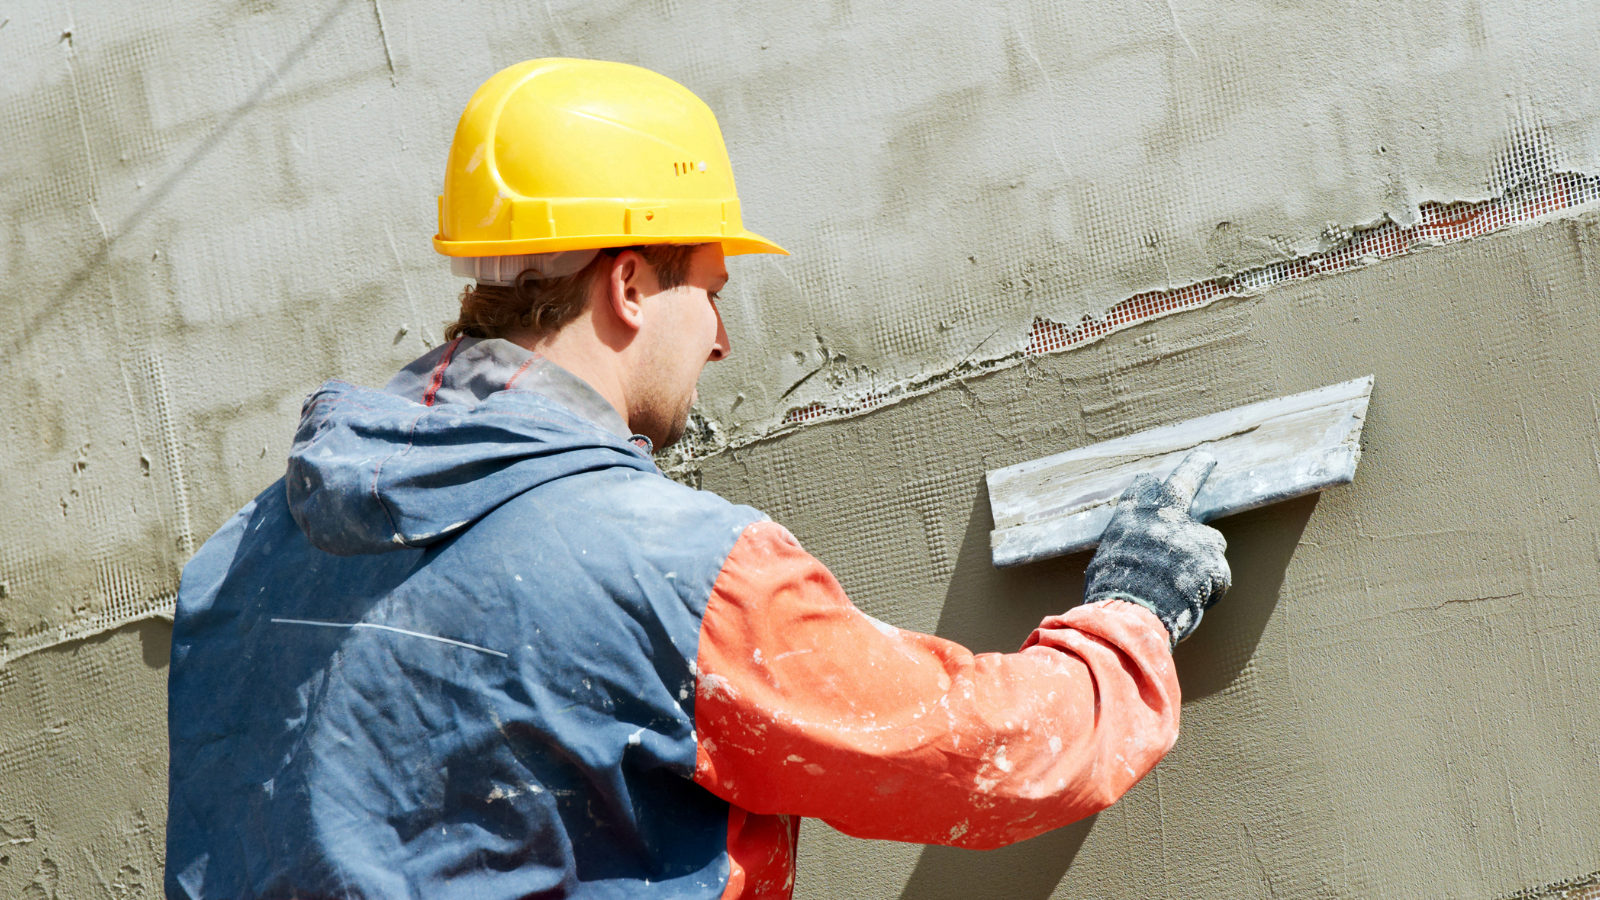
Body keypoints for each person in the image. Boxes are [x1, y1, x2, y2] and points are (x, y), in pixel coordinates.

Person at [164, 58, 1231, 900]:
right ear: (628, 283)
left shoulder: (239, 564)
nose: (719, 337)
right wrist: (1128, 619)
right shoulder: (670, 571)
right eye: (709, 288)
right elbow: (977, 759)